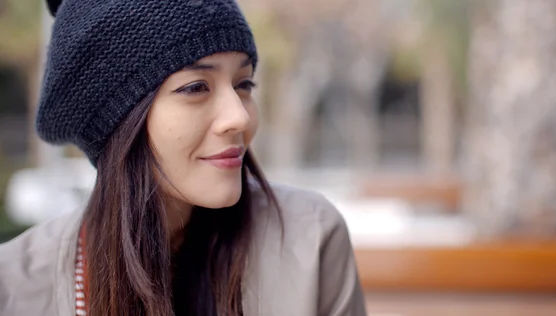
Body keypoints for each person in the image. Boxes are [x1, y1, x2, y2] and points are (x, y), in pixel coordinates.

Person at [0, 0, 367, 315]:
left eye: (244, 84)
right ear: (117, 120)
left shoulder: (310, 239)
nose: (239, 116)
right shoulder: (14, 285)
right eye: (195, 87)